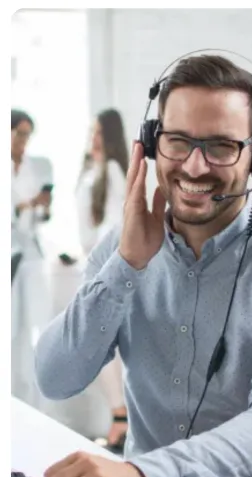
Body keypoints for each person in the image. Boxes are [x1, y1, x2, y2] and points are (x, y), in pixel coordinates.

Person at [33, 55, 252, 477]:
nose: (195, 165)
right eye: (179, 141)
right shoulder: (124, 245)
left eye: (221, 147)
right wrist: (126, 265)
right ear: (151, 145)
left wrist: (142, 476)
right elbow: (54, 377)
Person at [74, 108, 130, 451]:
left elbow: (117, 225)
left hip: (104, 267)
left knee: (102, 347)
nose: (93, 138)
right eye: (91, 131)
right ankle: (119, 419)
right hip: (90, 264)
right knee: (97, 347)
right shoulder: (92, 169)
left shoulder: (111, 170)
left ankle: (120, 420)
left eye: (98, 132)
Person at [11, 109, 54, 408]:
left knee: (34, 328)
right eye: (20, 134)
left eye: (28, 135)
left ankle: (32, 403)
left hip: (31, 255)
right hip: (10, 255)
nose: (24, 142)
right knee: (10, 329)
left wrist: (42, 207)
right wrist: (25, 205)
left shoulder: (30, 168)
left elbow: (37, 218)